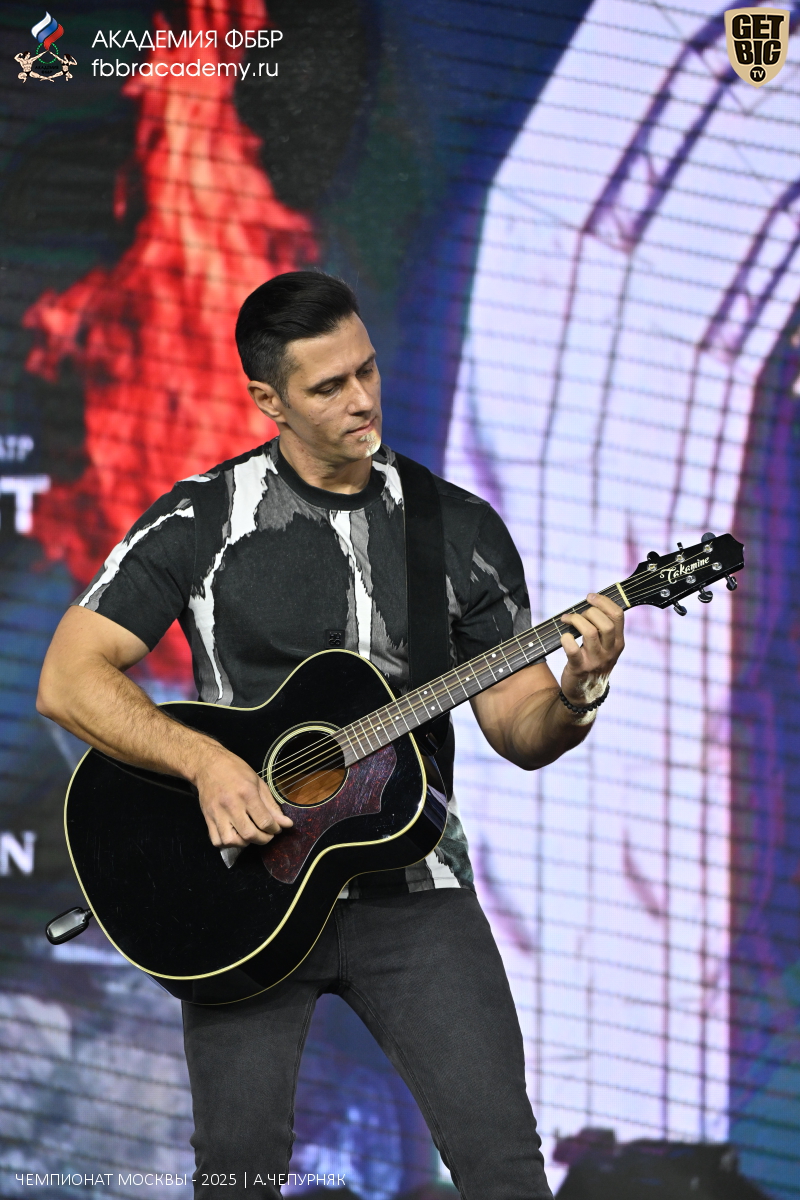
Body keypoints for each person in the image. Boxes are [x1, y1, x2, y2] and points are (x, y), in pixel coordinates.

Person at [37, 271, 626, 1199]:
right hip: (240, 898)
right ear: (268, 399)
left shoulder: (458, 527)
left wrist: (580, 692)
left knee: (506, 1168)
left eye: (367, 371)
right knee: (236, 1179)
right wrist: (207, 765)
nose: (362, 399)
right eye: (328, 386)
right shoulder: (202, 519)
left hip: (415, 884)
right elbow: (67, 679)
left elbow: (520, 727)